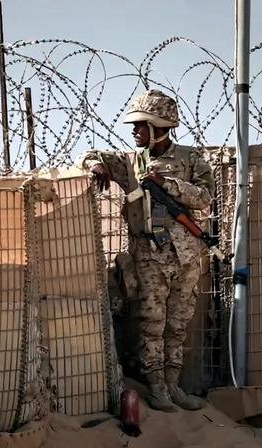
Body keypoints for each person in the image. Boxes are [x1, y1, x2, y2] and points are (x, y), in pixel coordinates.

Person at [77, 89, 213, 411]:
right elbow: (88, 155)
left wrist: (170, 186)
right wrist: (97, 166)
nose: (134, 131)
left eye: (140, 125)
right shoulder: (130, 162)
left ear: (158, 127)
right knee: (152, 323)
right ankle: (157, 389)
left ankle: (173, 385)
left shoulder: (190, 159)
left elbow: (206, 198)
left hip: (186, 256)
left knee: (177, 324)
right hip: (150, 256)